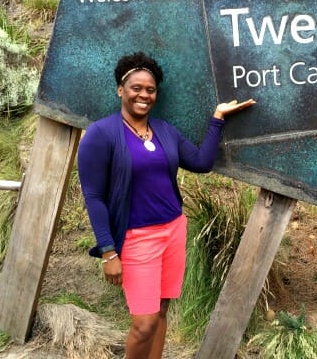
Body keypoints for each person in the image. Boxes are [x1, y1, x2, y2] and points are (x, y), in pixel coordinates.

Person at [77, 51, 254, 358]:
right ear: (121, 90)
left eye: (150, 89)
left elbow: (200, 162)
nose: (143, 95)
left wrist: (217, 119)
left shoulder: (164, 131)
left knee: (160, 313)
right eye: (136, 88)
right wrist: (107, 251)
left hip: (173, 231)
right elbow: (94, 196)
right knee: (143, 324)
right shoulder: (101, 134)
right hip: (136, 239)